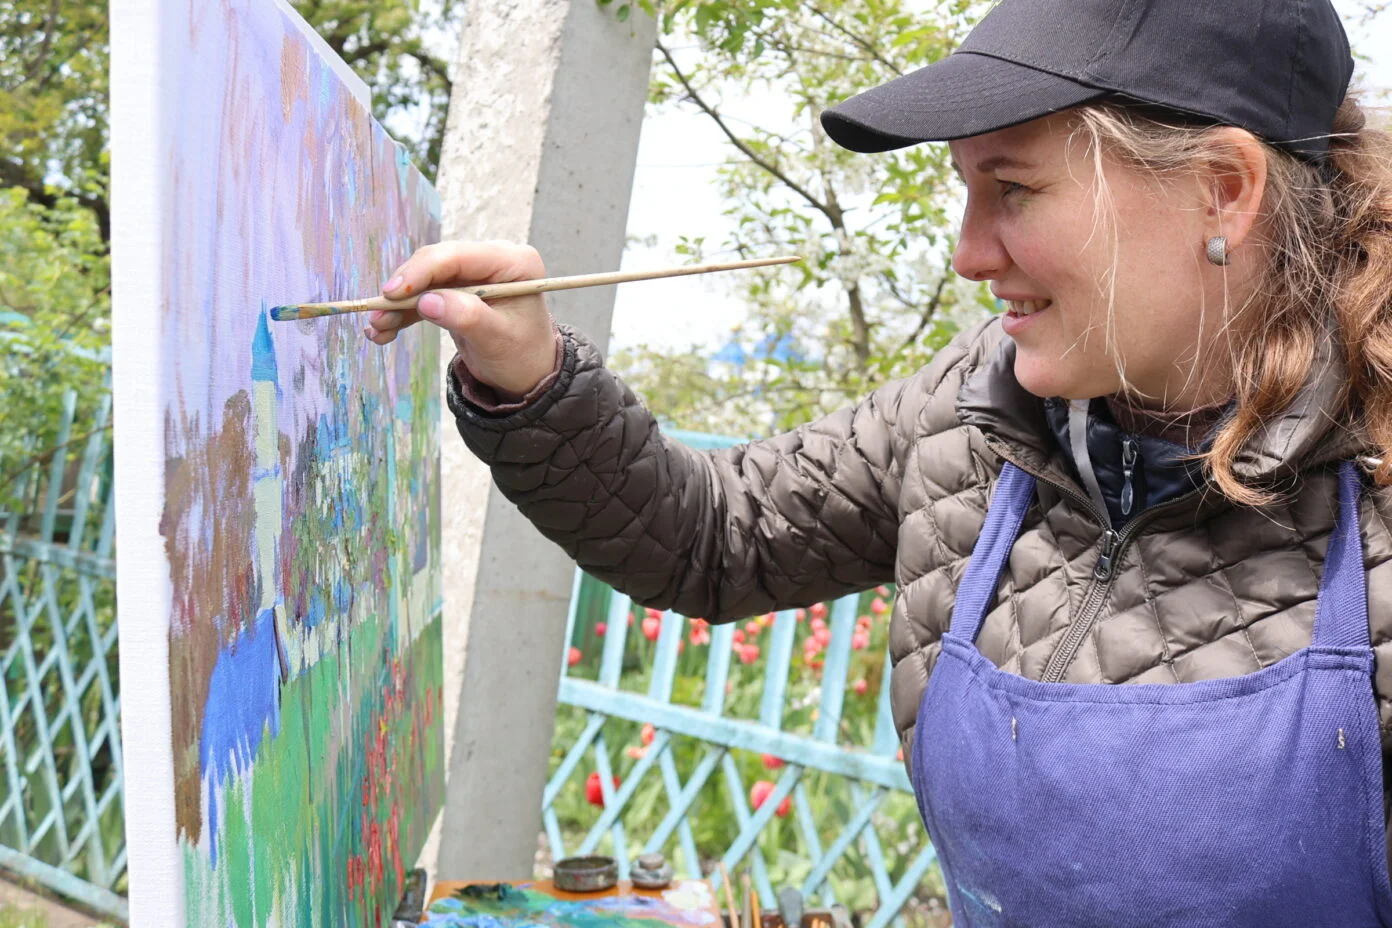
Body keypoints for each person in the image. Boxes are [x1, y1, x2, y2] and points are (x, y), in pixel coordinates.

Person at [363, 0, 1392, 923]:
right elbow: (717, 536)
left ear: (1223, 188)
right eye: (963, 190)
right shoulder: (974, 411)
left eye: (1013, 189)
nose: (968, 250)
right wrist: (529, 375)